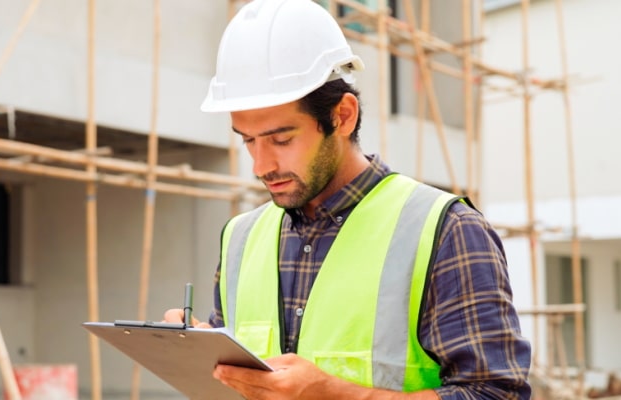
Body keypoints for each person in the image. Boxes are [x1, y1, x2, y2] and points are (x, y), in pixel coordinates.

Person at [164, 0, 532, 398]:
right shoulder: (239, 238)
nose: (261, 165)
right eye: (248, 141)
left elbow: (496, 394)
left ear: (343, 116)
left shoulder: (446, 231)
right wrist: (207, 357)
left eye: (281, 139)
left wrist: (338, 394)